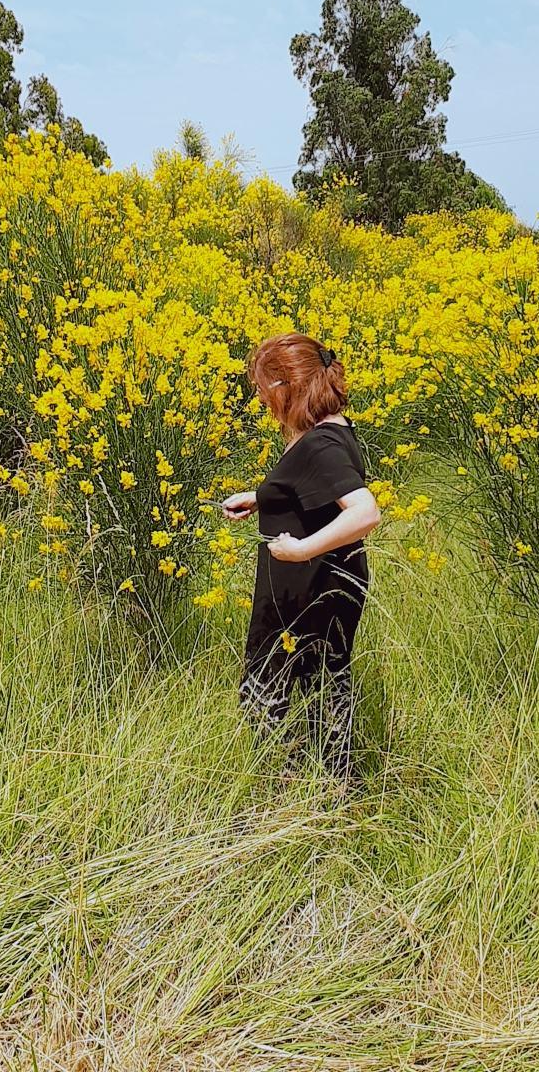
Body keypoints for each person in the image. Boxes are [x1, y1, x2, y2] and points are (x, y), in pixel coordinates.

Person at [222, 332, 381, 779]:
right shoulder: (331, 427)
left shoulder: (320, 443)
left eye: (263, 388)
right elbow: (314, 488)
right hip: (321, 584)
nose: (261, 399)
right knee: (321, 683)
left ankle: (288, 784)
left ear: (285, 386)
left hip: (310, 589)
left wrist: (300, 550)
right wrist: (261, 498)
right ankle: (326, 784)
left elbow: (366, 511)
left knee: (275, 689)